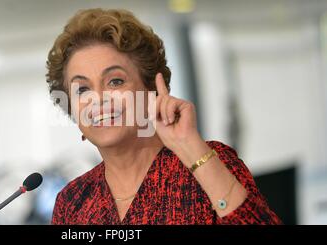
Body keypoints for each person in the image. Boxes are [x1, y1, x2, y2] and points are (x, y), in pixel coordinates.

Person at [46, 8, 282, 224]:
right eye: (82, 89)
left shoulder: (210, 162)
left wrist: (189, 145)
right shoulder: (73, 202)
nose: (98, 98)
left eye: (115, 81)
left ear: (151, 90)